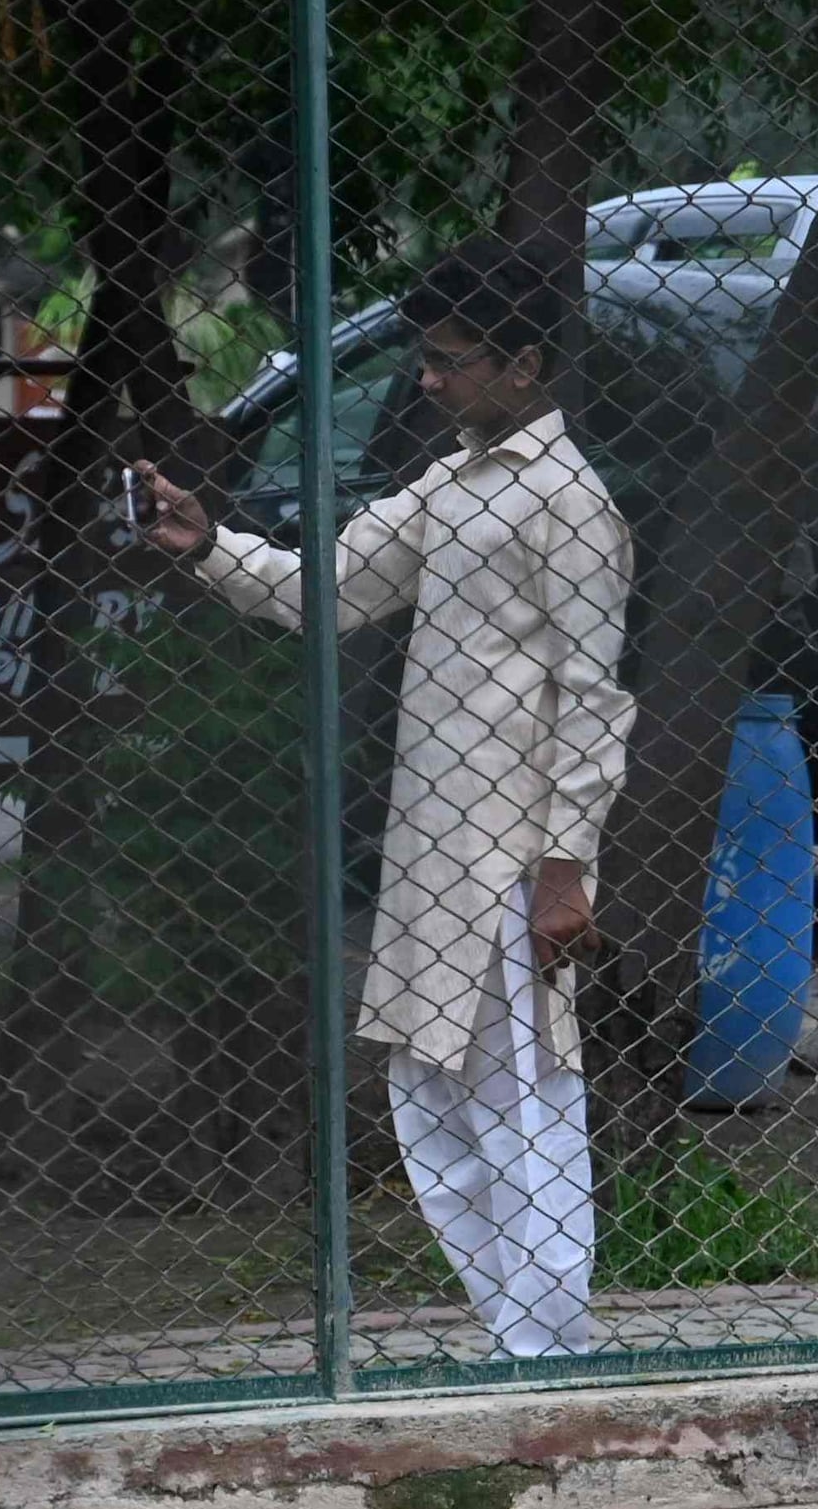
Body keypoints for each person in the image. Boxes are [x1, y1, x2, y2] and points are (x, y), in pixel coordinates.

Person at [140, 239, 632, 1360]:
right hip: (431, 854)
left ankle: (550, 1348)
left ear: (524, 365)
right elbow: (331, 591)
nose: (427, 379)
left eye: (451, 361)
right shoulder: (451, 486)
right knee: (434, 1092)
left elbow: (592, 699)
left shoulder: (570, 504)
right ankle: (521, 1335)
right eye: (428, 358)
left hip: (513, 862)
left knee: (526, 1102)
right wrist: (209, 545)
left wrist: (565, 867)